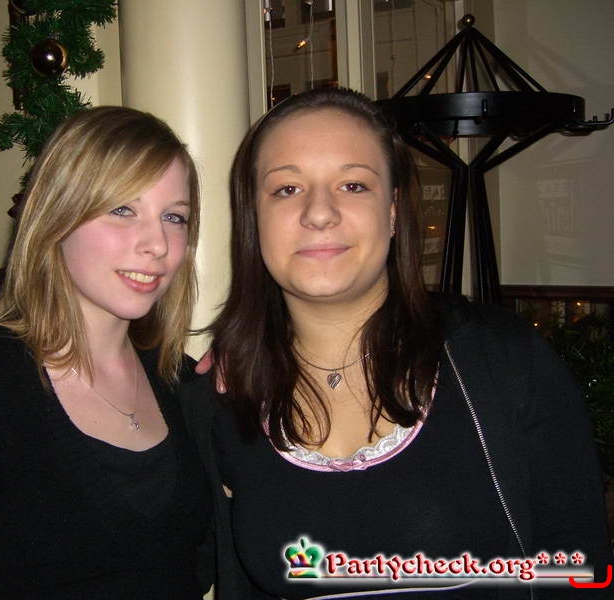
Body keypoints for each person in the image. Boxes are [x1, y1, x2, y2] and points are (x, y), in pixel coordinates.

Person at [183, 87, 611, 599]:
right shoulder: (222, 398)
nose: (319, 213)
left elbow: (579, 571)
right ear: (254, 216)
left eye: (353, 185)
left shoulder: (503, 362)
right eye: (287, 188)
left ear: (392, 210)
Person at [0, 106, 212, 599]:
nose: (157, 244)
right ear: (57, 217)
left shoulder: (179, 379)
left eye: (174, 217)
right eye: (122, 209)